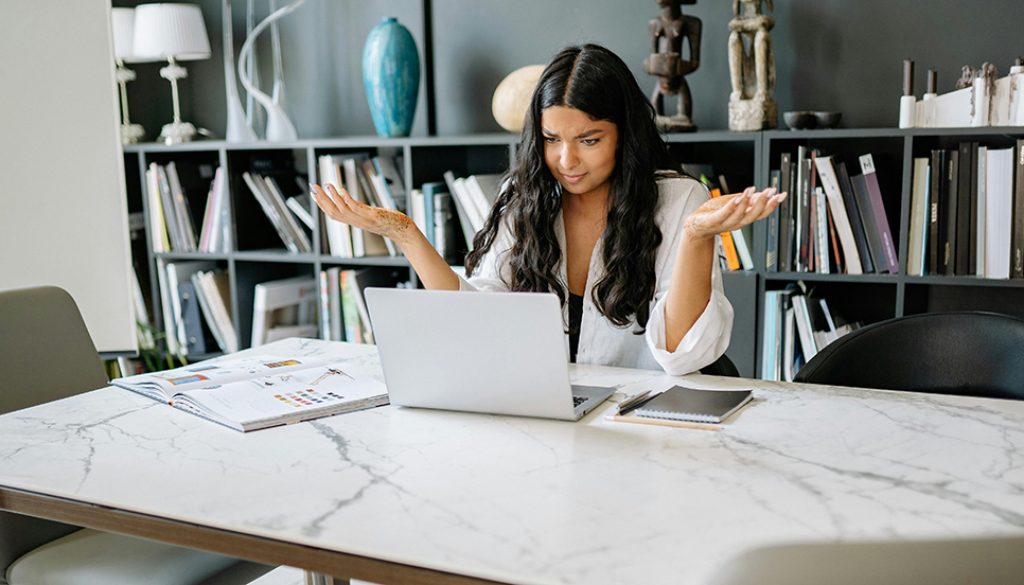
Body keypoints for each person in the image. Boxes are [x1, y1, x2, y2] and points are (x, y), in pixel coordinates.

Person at [311, 43, 784, 375]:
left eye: (589, 140)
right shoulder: (525, 196)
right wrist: (406, 234)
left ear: (626, 134)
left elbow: (683, 356)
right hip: (550, 420)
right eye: (552, 140)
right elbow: (478, 325)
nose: (566, 160)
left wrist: (698, 238)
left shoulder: (679, 200)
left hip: (642, 427)